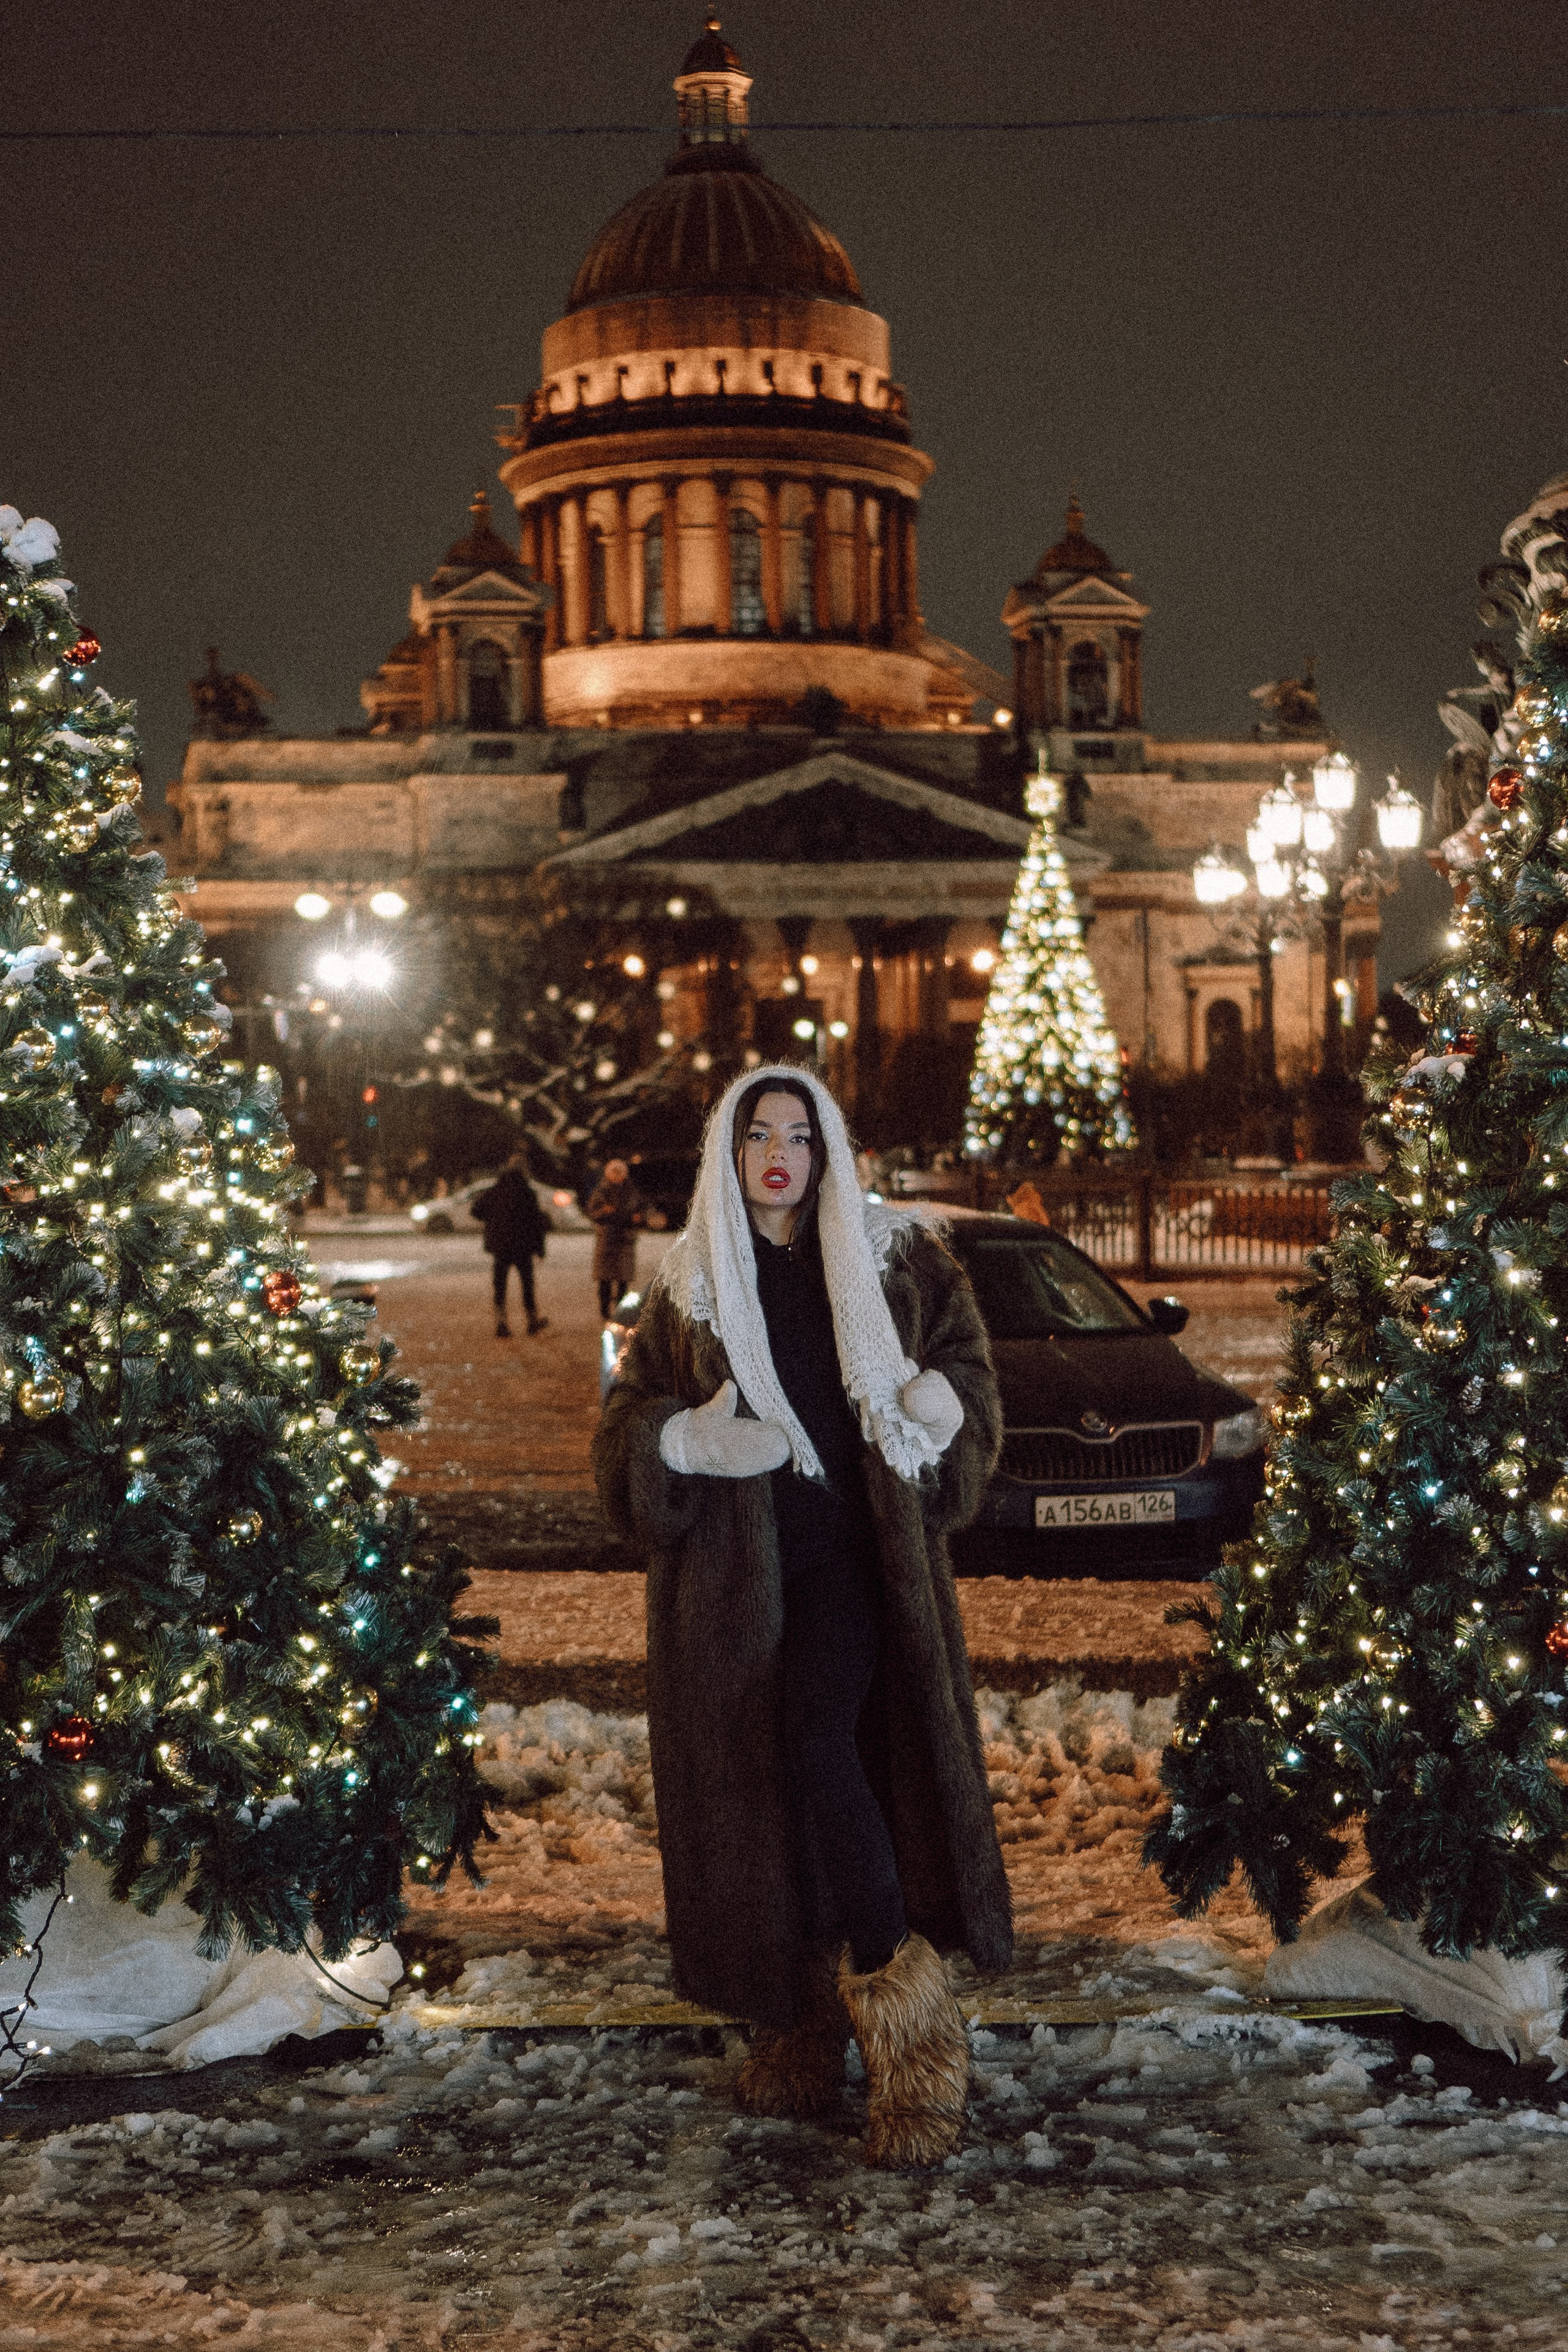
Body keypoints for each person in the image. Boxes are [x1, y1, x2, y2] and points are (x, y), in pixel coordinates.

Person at [592, 1068, 1011, 2168]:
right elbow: (625, 1425)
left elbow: (968, 1366)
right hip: (734, 1593)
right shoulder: (690, 1284)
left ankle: (909, 2020)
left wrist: (943, 1405)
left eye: (800, 1135)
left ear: (829, 1150)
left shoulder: (897, 1257)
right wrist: (684, 1444)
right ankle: (798, 2021)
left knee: (826, 1746)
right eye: (757, 1136)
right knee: (771, 1791)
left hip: (861, 1572)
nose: (780, 1155)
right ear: (726, 1157)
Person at [471, 1150, 549, 1338]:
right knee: (527, 1285)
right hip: (523, 1246)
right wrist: (540, 1248)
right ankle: (532, 1322)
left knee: (500, 1286)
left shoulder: (496, 1190)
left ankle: (501, 1324)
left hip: (501, 1246)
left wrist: (493, 1220)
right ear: (524, 1171)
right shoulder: (528, 1193)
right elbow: (535, 1223)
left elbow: (476, 1211)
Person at [587, 1157, 643, 1320]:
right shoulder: (602, 1191)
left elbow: (639, 1210)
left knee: (622, 1281)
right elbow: (592, 1211)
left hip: (624, 1240)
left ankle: (620, 1311)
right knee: (605, 1280)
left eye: (620, 1173)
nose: (618, 1176)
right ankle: (605, 1310)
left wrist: (637, 1218)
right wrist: (605, 1212)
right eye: (615, 1173)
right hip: (607, 1240)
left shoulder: (630, 1191)